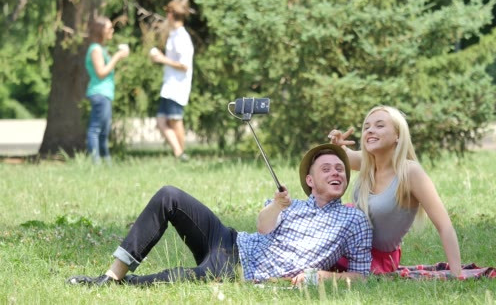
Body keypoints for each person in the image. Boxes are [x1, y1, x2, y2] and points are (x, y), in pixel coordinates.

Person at [67, 144, 372, 286]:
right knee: (169, 195)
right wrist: (278, 205)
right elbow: (263, 227)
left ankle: (119, 287)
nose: (336, 173)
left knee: (180, 278)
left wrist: (322, 277)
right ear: (310, 180)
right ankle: (112, 275)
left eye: (340, 170)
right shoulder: (290, 203)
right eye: (326, 169)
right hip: (229, 239)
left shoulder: (354, 220)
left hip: (241, 270)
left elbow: (362, 276)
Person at [328, 106, 462, 277]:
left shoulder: (410, 173)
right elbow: (343, 155)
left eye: (379, 125)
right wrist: (337, 145)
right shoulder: (368, 162)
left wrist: (457, 274)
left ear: (398, 135)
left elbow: (444, 226)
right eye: (366, 127)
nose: (370, 131)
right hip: (345, 244)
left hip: (374, 260)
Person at [150, 0, 194, 161]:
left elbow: (184, 65)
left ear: (170, 14)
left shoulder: (182, 37)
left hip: (177, 86)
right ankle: (179, 153)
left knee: (175, 121)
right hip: (168, 86)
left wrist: (162, 59)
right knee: (161, 121)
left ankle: (181, 154)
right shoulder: (174, 35)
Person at [85, 16, 129, 164]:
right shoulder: (96, 49)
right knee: (95, 130)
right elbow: (101, 72)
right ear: (100, 30)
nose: (112, 30)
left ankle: (106, 163)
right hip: (99, 93)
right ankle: (96, 163)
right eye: (109, 28)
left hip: (105, 94)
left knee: (104, 132)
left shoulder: (101, 49)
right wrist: (117, 56)